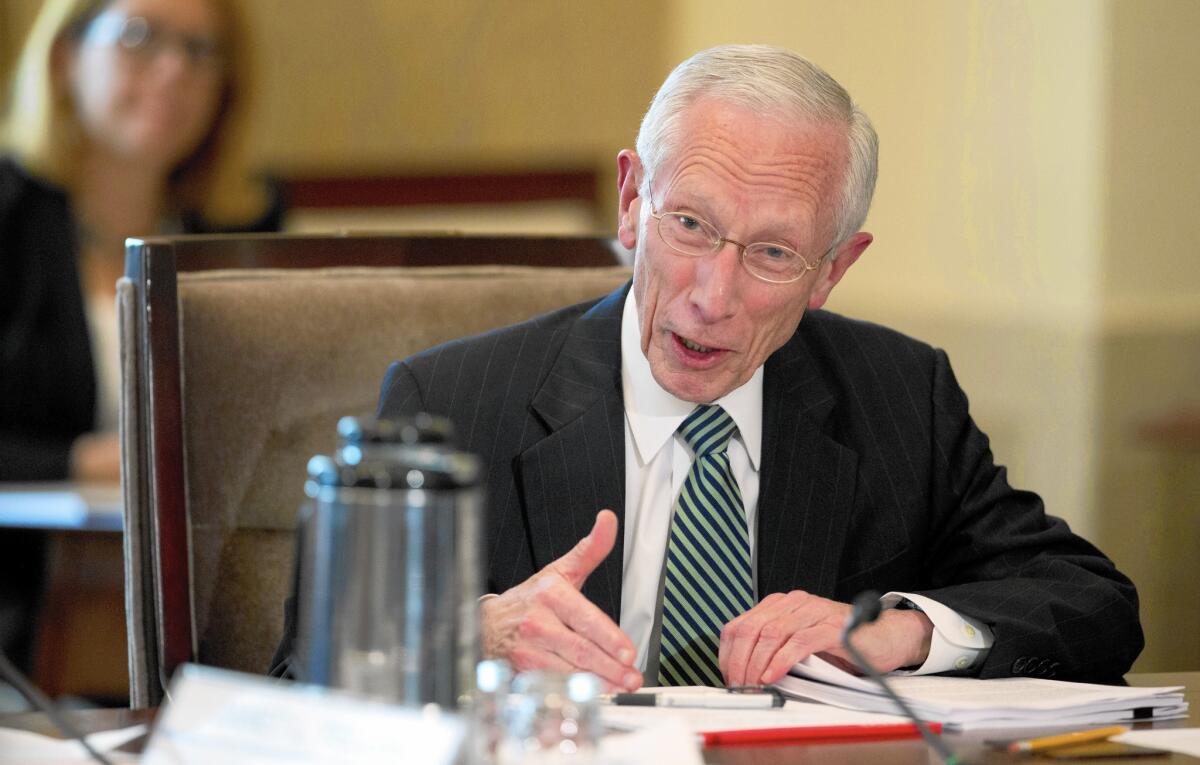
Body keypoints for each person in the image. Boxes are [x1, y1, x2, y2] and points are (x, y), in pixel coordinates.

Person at [273, 44, 1141, 689]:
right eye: (688, 224)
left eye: (771, 252)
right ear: (630, 202)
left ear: (833, 271)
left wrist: (900, 629)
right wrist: (469, 638)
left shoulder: (899, 397)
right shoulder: (453, 402)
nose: (712, 295)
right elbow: (296, 680)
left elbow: (1094, 602)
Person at [0, 0, 282, 672]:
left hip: (205, 607)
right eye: (139, 36)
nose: (172, 70)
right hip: (22, 612)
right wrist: (82, 460)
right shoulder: (9, 218)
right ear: (66, 56)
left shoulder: (246, 229)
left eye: (200, 51)